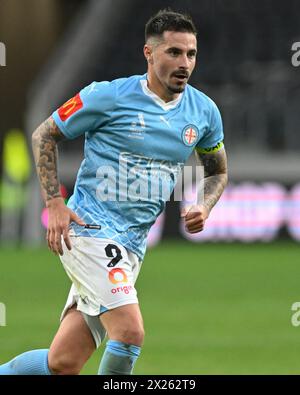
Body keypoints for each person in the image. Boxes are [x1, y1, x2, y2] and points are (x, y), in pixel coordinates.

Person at [0, 9, 228, 375]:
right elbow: (45, 134)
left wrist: (205, 203)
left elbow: (217, 170)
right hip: (89, 230)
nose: (184, 63)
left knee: (62, 363)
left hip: (131, 246)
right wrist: (54, 201)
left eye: (191, 54)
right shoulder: (107, 97)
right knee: (130, 332)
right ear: (148, 53)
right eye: (173, 52)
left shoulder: (203, 111)